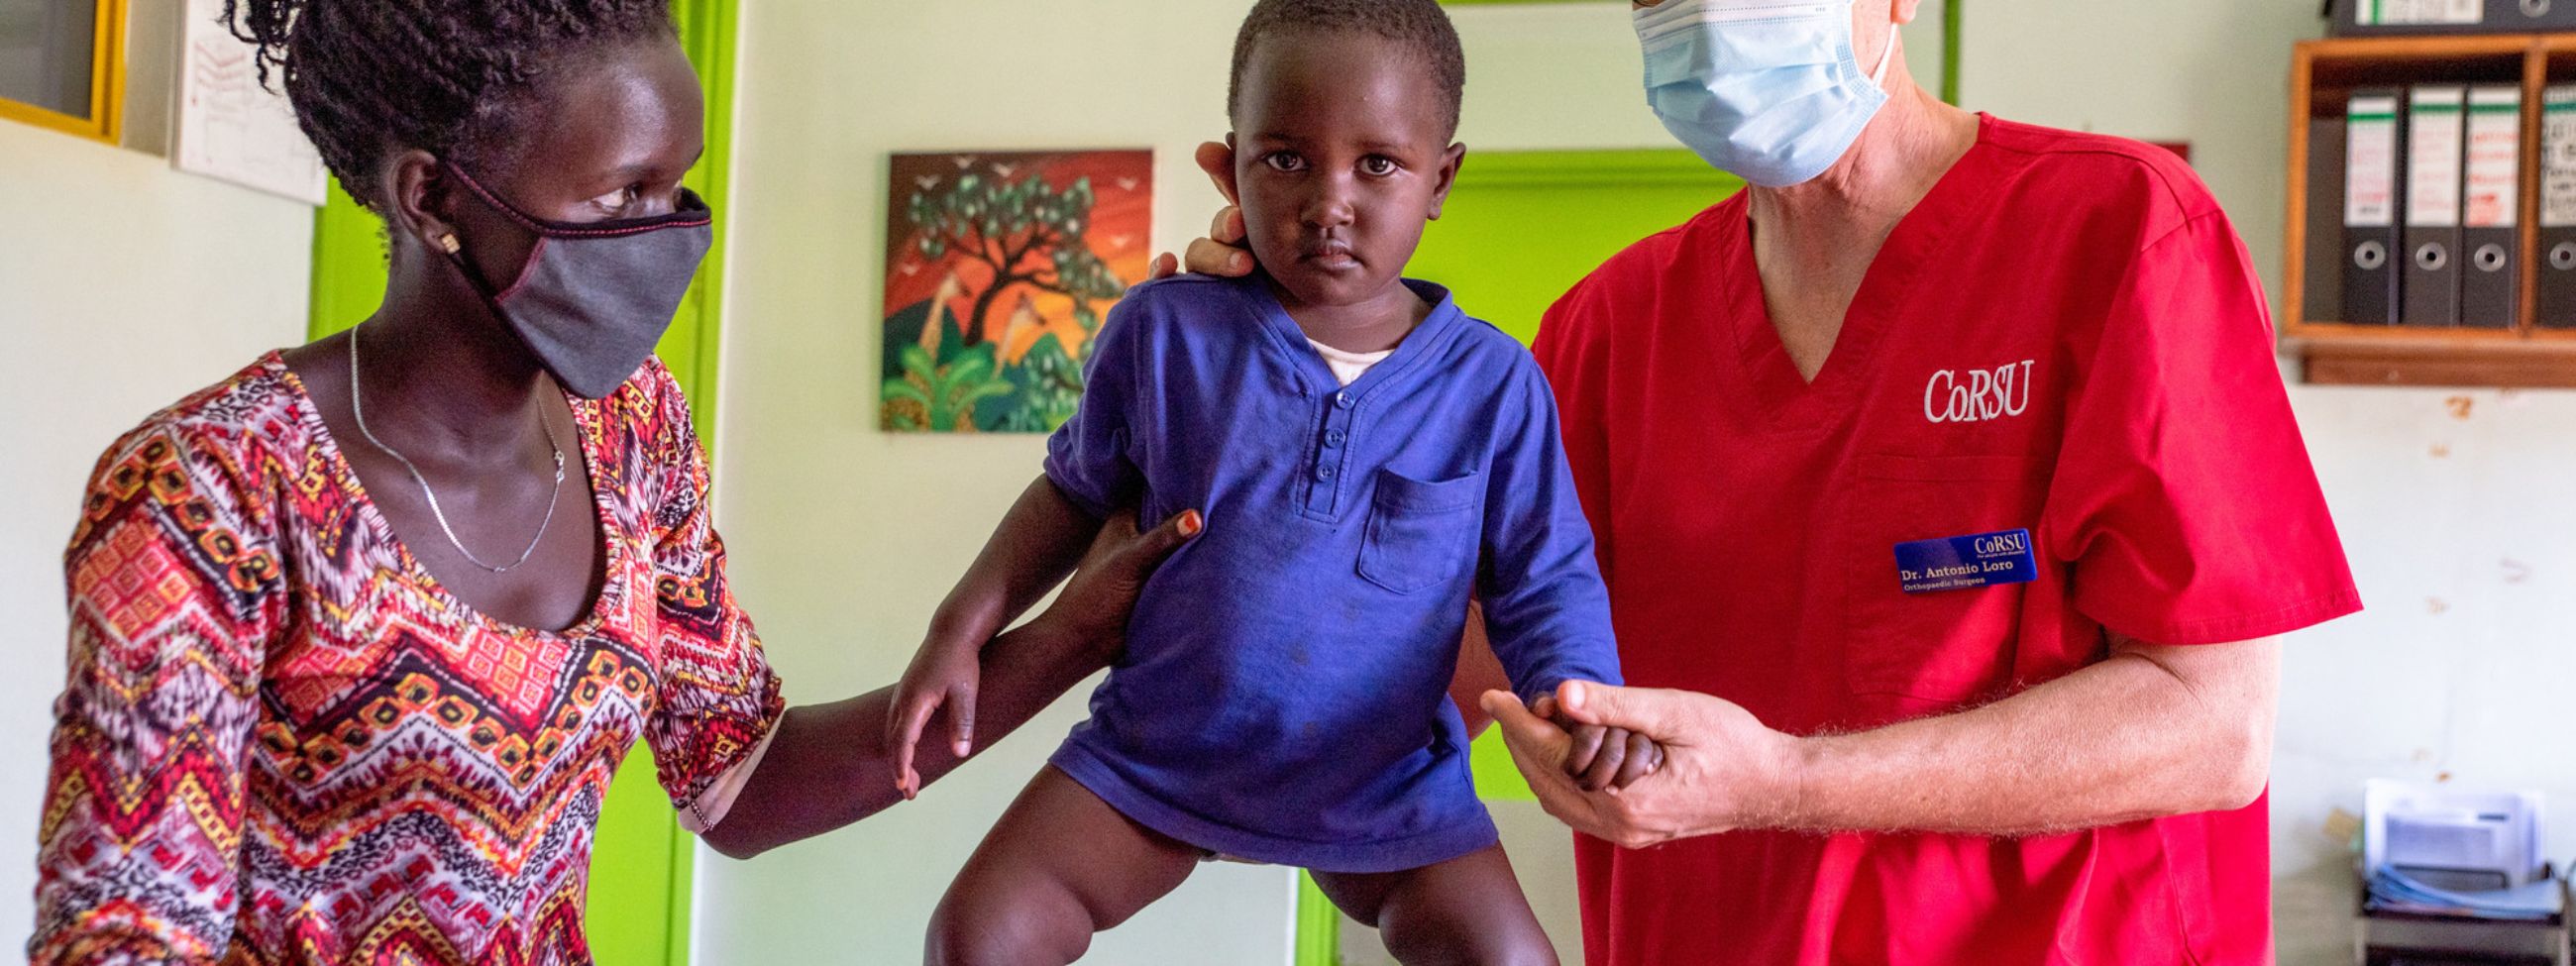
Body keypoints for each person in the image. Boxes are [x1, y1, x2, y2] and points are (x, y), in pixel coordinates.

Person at [1176, 0, 2365, 962]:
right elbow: (1419, 658)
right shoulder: (1606, 332)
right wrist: (1284, 367)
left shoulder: (2119, 233)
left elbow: (2211, 725)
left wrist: (1788, 781)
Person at [30, 1, 1198, 961]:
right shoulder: (210, 490)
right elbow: (124, 931)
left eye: (676, 189)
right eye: (618, 195)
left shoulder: (632, 433)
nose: (665, 238)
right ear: (432, 199)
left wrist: (1072, 634)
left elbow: (746, 784)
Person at [895, 2, 1654, 964]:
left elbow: (1543, 577)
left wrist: (1580, 703)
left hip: (1383, 785)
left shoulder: (1494, 385)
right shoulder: (1164, 331)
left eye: (1376, 163)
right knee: (976, 937)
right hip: (1159, 755)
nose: (1328, 201)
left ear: (1441, 178)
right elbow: (1073, 491)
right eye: (1285, 159)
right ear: (1230, 164)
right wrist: (956, 628)